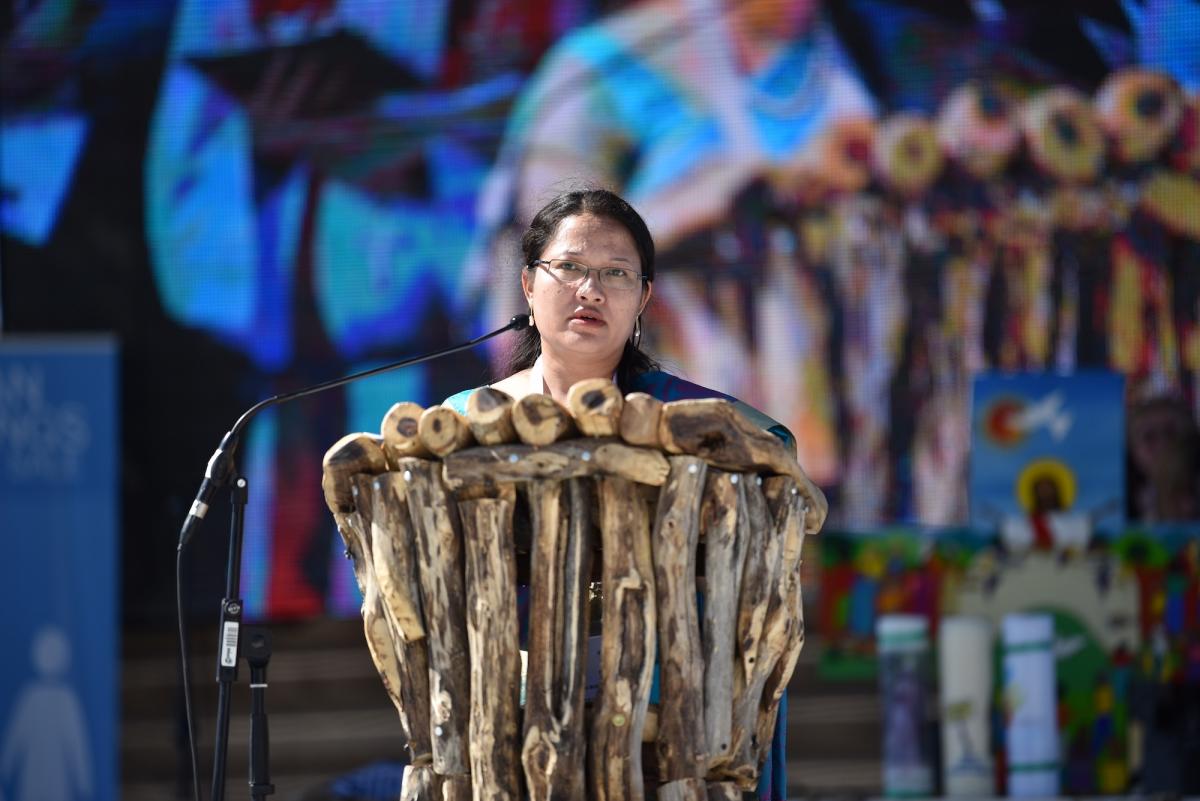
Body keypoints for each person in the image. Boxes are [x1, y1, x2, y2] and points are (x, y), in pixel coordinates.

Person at [445, 188, 827, 801]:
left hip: (661, 731)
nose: (590, 290)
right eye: (569, 268)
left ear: (643, 297)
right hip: (510, 730)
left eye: (615, 274)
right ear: (528, 284)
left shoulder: (695, 420)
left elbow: (776, 464)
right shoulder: (462, 425)